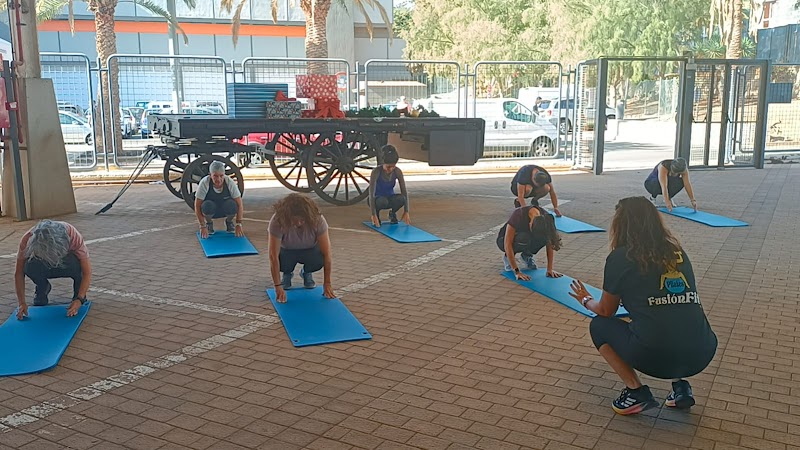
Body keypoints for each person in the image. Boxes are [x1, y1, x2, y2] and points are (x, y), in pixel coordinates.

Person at [569, 197, 717, 415]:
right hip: (703, 351)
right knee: (671, 316)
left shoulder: (621, 257)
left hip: (657, 357)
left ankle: (636, 392)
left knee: (599, 326)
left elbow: (605, 311)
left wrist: (584, 299)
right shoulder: (676, 251)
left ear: (621, 224)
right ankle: (681, 388)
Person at [14, 220, 92, 320]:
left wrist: (80, 299)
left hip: (67, 264)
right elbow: (19, 273)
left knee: (81, 264)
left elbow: (87, 272)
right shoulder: (28, 239)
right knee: (28, 265)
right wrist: (22, 303)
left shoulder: (73, 235)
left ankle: (77, 294)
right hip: (42, 264)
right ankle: (43, 286)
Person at [269, 193, 335, 303]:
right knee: (281, 261)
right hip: (287, 252)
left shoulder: (318, 220)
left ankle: (306, 272)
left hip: (310, 251)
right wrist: (277, 286)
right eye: (294, 220)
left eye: (302, 220)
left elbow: (327, 254)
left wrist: (327, 283)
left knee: (319, 259)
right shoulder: (277, 221)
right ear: (287, 216)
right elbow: (273, 256)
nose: (298, 223)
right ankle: (287, 273)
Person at [498, 202, 563, 279]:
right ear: (531, 223)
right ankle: (507, 258)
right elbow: (507, 243)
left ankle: (526, 255)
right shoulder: (518, 214)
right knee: (524, 238)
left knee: (543, 237)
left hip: (526, 238)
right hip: (503, 240)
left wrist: (549, 269)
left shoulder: (546, 218)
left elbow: (549, 242)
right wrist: (517, 271)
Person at [195, 160, 245, 238]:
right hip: (211, 210)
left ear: (224, 175)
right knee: (207, 205)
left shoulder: (229, 182)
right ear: (210, 175)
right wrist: (202, 226)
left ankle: (229, 222)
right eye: (215, 176)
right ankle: (209, 224)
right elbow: (197, 206)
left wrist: (238, 224)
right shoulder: (205, 182)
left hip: (225, 209)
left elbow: (240, 204)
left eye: (221, 176)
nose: (218, 179)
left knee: (232, 205)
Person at [368, 145, 410, 226]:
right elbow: (371, 194)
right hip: (377, 199)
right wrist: (373, 215)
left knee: (401, 198)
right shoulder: (376, 172)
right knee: (382, 201)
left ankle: (392, 213)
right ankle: (377, 215)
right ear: (383, 163)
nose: (390, 169)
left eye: (393, 167)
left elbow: (404, 191)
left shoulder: (397, 171)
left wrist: (406, 211)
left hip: (389, 198)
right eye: (388, 167)